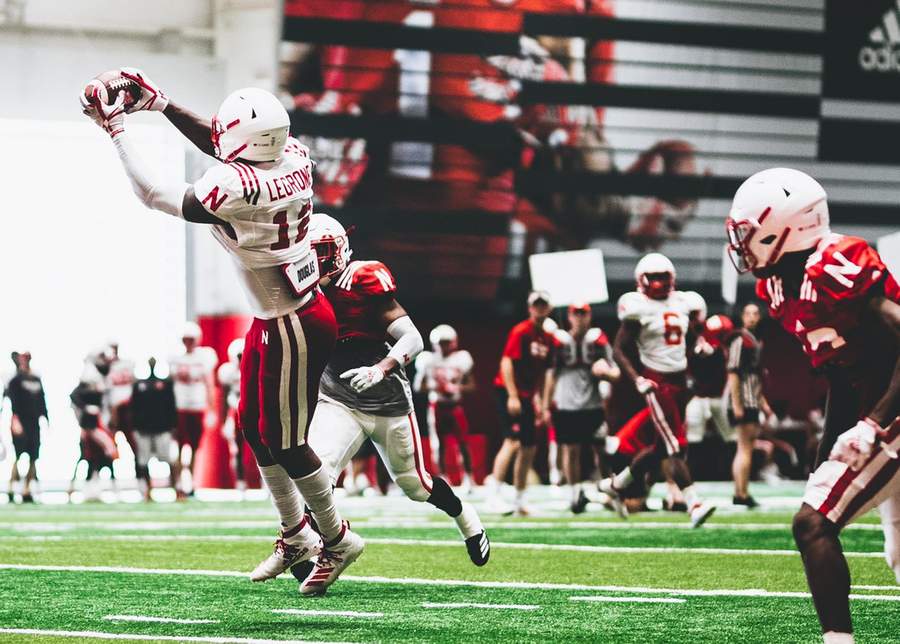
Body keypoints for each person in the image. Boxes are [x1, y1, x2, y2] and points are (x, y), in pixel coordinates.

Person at [80, 68, 362, 594]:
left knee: (287, 441)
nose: (221, 137)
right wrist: (160, 103)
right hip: (276, 315)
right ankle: (294, 534)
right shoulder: (293, 155)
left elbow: (152, 193)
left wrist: (117, 127)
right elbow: (221, 140)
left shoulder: (240, 184)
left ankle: (337, 537)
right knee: (254, 429)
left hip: (293, 321)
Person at [726, 167, 900, 643]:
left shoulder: (836, 266)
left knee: (812, 524)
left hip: (894, 410)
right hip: (881, 410)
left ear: (785, 226)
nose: (741, 244)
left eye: (748, 232)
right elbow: (842, 376)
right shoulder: (781, 287)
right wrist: (825, 450)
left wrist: (875, 424)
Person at [293, 214, 489, 573]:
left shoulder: (364, 279)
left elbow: (412, 337)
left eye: (321, 253)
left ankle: (468, 520)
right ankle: (322, 546)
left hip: (386, 401)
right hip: (338, 397)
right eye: (310, 252)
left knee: (415, 484)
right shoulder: (301, 289)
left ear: (338, 253)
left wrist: (380, 367)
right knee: (318, 472)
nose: (315, 261)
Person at [598, 253, 716, 527]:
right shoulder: (636, 307)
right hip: (656, 383)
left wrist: (698, 345)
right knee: (675, 446)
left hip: (678, 383)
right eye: (656, 277)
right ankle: (693, 503)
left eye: (665, 277)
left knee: (660, 448)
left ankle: (616, 486)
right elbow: (618, 350)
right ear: (642, 280)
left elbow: (684, 339)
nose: (661, 283)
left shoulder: (683, 302)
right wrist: (638, 379)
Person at [544, 303, 619, 514]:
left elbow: (615, 372)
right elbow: (550, 374)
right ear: (569, 316)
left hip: (592, 404)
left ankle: (609, 490)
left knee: (601, 450)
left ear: (589, 315)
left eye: (583, 313)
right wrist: (545, 405)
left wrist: (606, 374)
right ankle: (575, 494)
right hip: (566, 405)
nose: (579, 318)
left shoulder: (597, 339)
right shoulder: (559, 341)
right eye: (576, 314)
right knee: (571, 450)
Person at [486, 291, 556, 516]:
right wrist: (513, 395)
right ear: (530, 308)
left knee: (529, 447)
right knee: (513, 441)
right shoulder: (521, 331)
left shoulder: (547, 338)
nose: (539, 309)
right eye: (536, 305)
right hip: (509, 391)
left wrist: (544, 405)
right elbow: (506, 362)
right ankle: (493, 494)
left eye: (543, 305)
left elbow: (545, 375)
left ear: (549, 308)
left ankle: (520, 499)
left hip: (527, 395)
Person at [415, 324, 477, 493]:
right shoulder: (428, 360)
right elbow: (418, 387)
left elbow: (472, 385)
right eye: (440, 342)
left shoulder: (461, 358)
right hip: (437, 406)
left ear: (454, 342)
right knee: (439, 445)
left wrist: (456, 389)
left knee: (463, 443)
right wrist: (437, 388)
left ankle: (468, 478)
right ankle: (442, 477)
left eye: (446, 342)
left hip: (455, 406)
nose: (443, 346)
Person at [726, 303, 774, 508]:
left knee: (745, 447)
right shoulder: (740, 340)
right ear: (742, 317)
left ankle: (741, 491)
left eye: (756, 314)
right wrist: (738, 405)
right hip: (745, 402)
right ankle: (741, 493)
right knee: (745, 448)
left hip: (751, 401)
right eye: (748, 314)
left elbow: (755, 379)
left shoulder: (754, 342)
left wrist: (763, 403)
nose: (752, 317)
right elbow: (733, 373)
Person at [169, 321, 217, 498]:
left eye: (191, 339)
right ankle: (180, 483)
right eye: (185, 339)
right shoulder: (175, 357)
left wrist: (211, 409)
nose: (188, 342)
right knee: (179, 448)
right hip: (180, 407)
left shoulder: (205, 356)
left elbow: (209, 383)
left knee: (195, 448)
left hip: (197, 406)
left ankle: (191, 482)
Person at [69, 360, 119, 501]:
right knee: (88, 459)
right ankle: (87, 489)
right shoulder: (82, 394)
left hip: (99, 428)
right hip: (89, 430)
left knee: (105, 458)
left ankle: (103, 488)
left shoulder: (102, 390)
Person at [131, 357, 178, 501]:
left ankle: (176, 488)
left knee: (168, 459)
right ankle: (147, 490)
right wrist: (135, 426)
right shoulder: (139, 385)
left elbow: (171, 406)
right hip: (144, 427)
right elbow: (134, 408)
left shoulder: (165, 384)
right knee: (143, 461)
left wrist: (172, 425)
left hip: (161, 427)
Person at [3, 351, 48, 503]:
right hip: (20, 421)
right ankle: (11, 487)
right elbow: (9, 401)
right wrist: (14, 420)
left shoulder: (35, 378)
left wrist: (46, 418)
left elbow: (42, 400)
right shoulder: (15, 380)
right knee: (18, 454)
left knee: (33, 456)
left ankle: (26, 489)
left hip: (34, 422)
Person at [218, 339, 248, 491]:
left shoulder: (254, 368)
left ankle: (266, 484)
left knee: (262, 449)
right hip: (234, 412)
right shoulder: (228, 372)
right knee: (236, 450)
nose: (240, 358)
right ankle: (240, 482)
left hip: (252, 412)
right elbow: (223, 397)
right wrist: (222, 420)